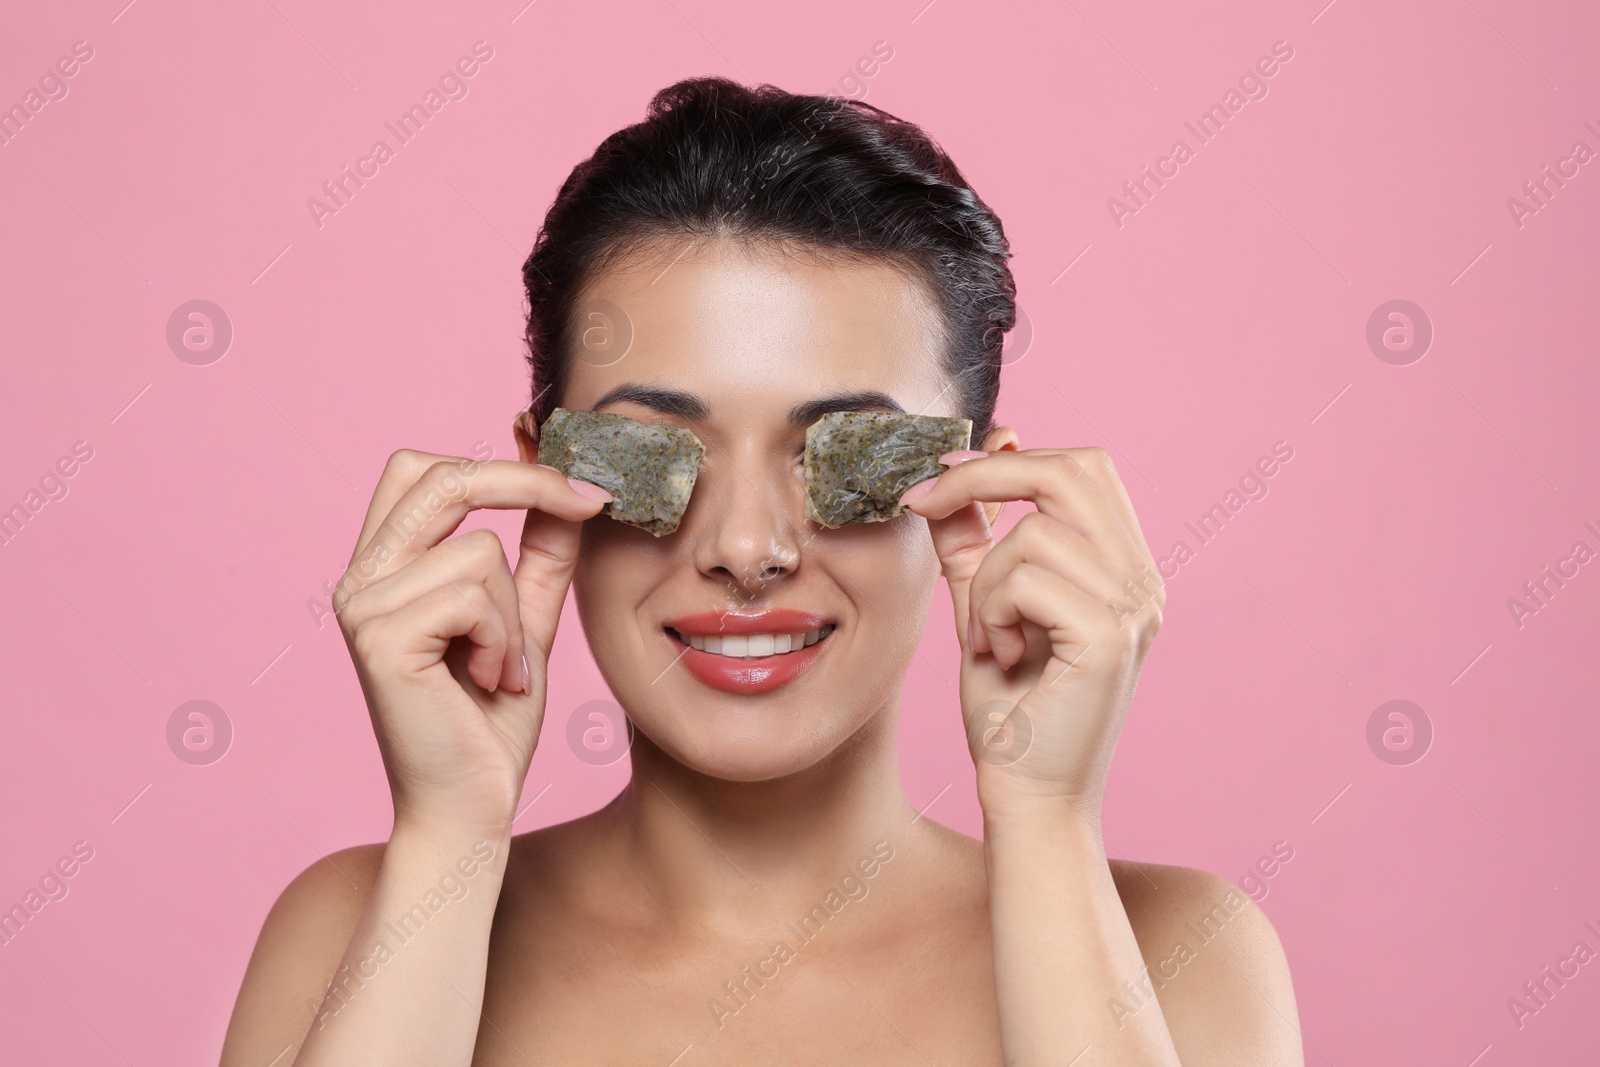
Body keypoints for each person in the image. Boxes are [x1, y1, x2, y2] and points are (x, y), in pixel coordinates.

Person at [221, 76, 1301, 1065]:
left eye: (846, 452)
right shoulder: (353, 925)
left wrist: (1047, 818)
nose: (746, 548)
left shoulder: (1179, 955)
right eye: (656, 451)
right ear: (540, 477)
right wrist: (448, 836)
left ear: (975, 488)